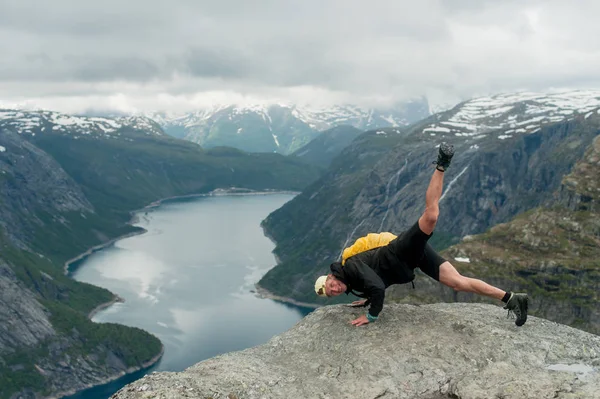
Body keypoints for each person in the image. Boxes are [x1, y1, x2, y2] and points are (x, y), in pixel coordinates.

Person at [314, 142, 529, 327]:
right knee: (457, 282)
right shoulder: (351, 282)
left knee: (431, 216)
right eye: (331, 293)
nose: (333, 289)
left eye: (330, 285)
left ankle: (441, 164)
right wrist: (367, 298)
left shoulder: (350, 266)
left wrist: (371, 315)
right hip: (411, 258)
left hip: (400, 251)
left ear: (331, 276)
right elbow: (376, 276)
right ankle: (512, 299)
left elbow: (378, 285)